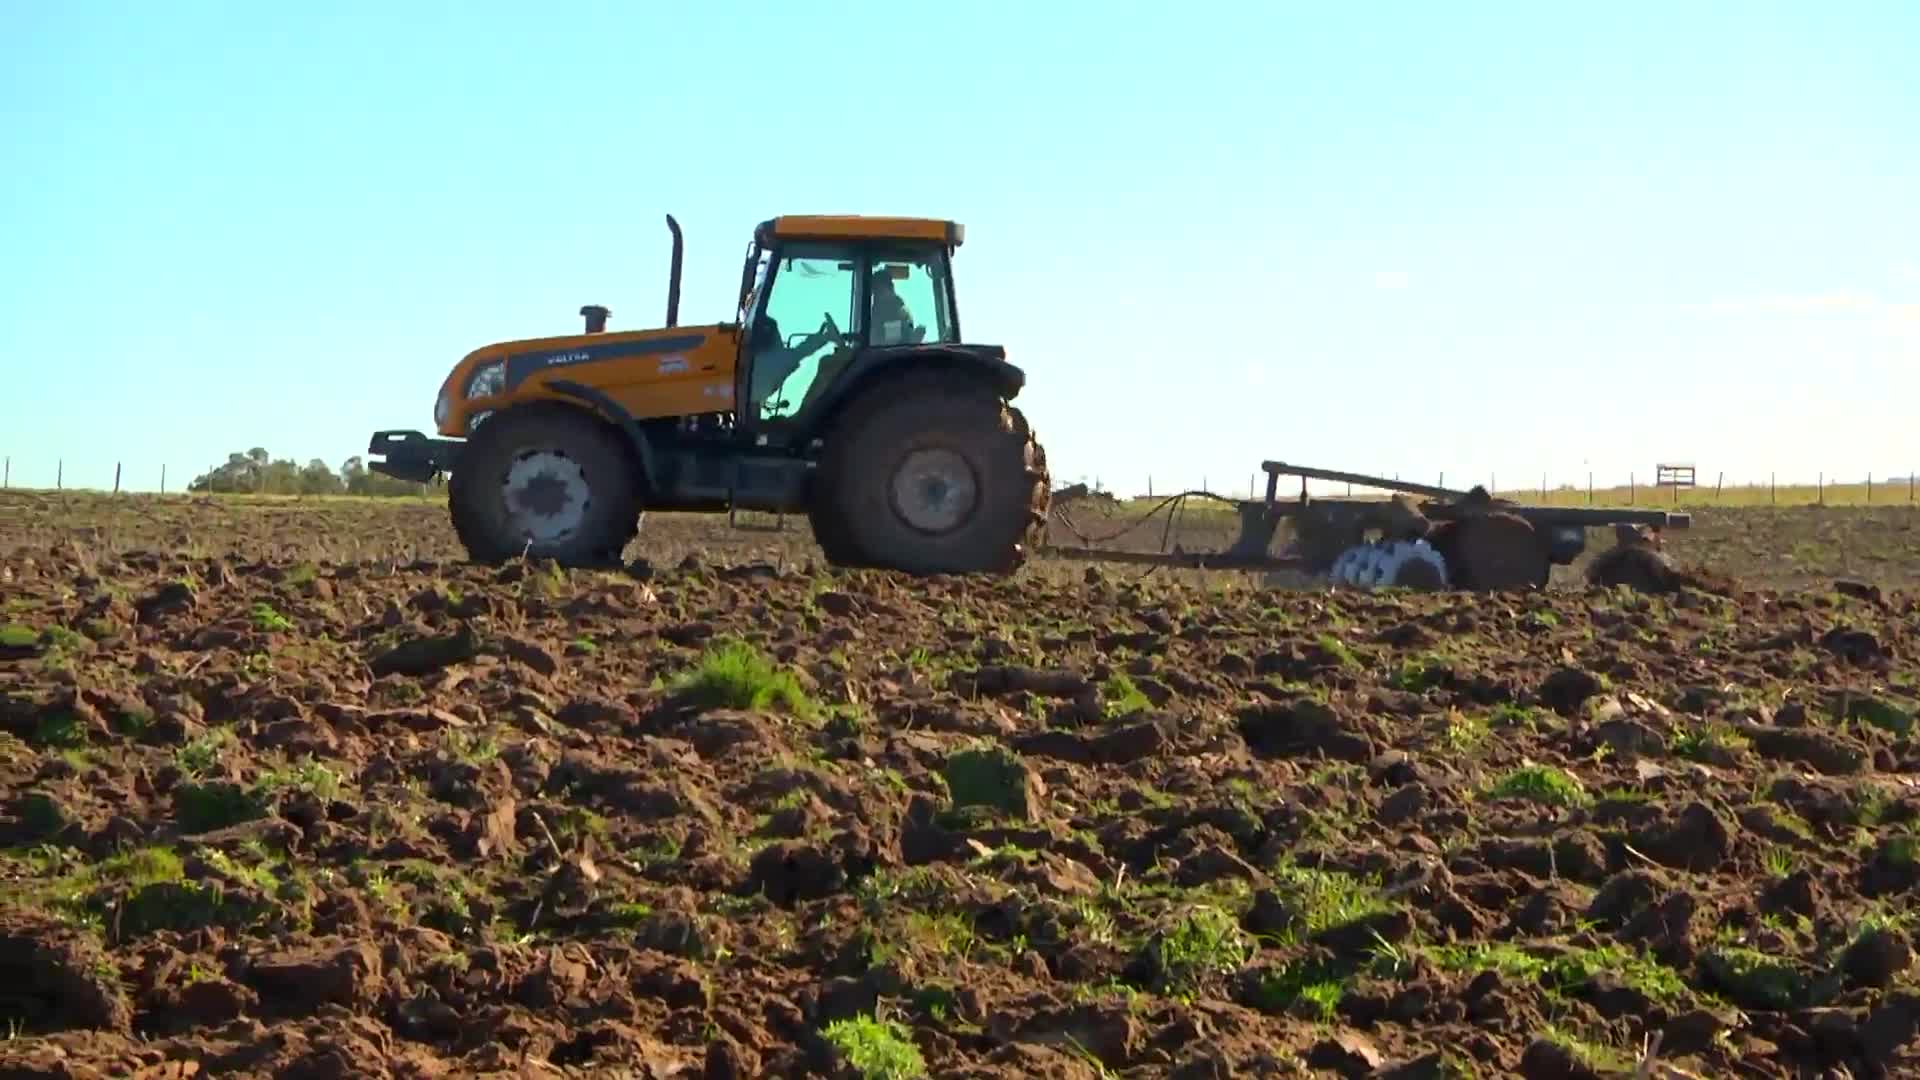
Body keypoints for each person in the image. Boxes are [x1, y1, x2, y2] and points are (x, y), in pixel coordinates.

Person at [747, 311, 840, 415]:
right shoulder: (771, 362)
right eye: (778, 337)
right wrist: (825, 337)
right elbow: (800, 351)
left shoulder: (758, 363)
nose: (781, 342)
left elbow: (800, 350)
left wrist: (820, 337)